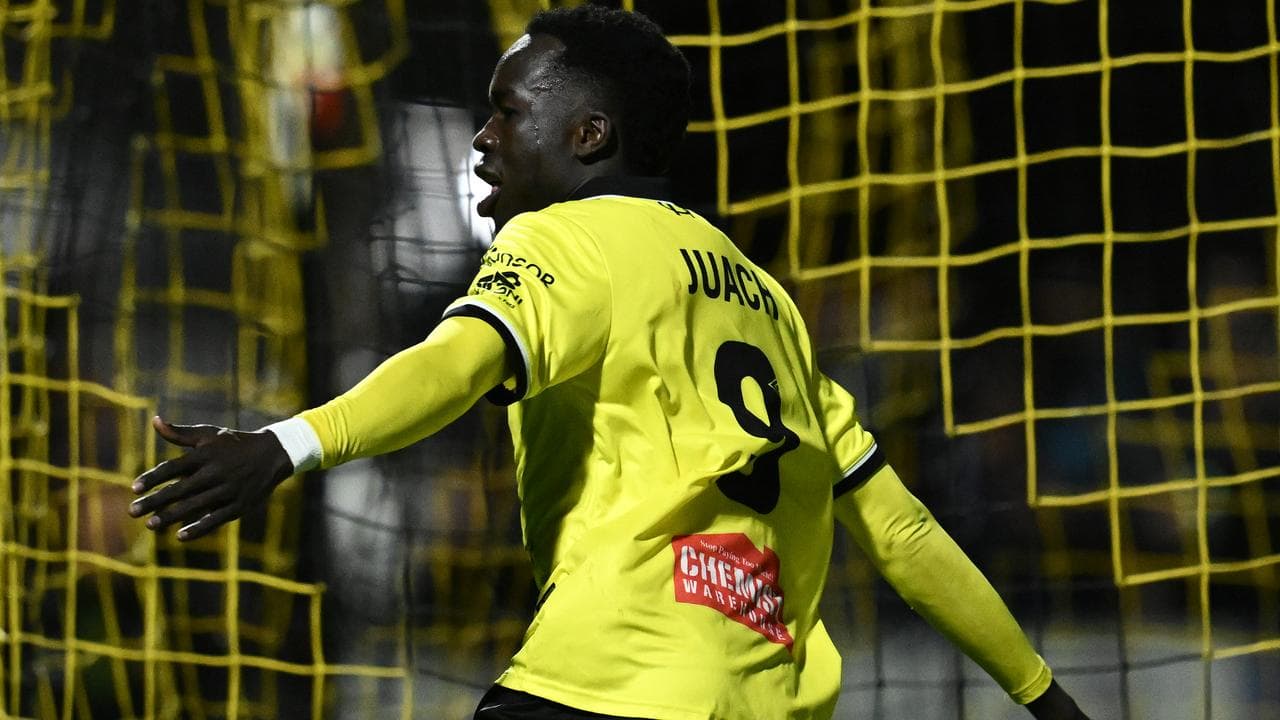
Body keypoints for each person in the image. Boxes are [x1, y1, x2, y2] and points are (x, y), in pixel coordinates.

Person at [130, 6, 1093, 719]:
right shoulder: (767, 302)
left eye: (509, 113)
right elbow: (902, 531)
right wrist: (1045, 698)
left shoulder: (568, 240)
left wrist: (283, 446)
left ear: (589, 137)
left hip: (605, 687)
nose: (483, 136)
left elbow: (454, 365)